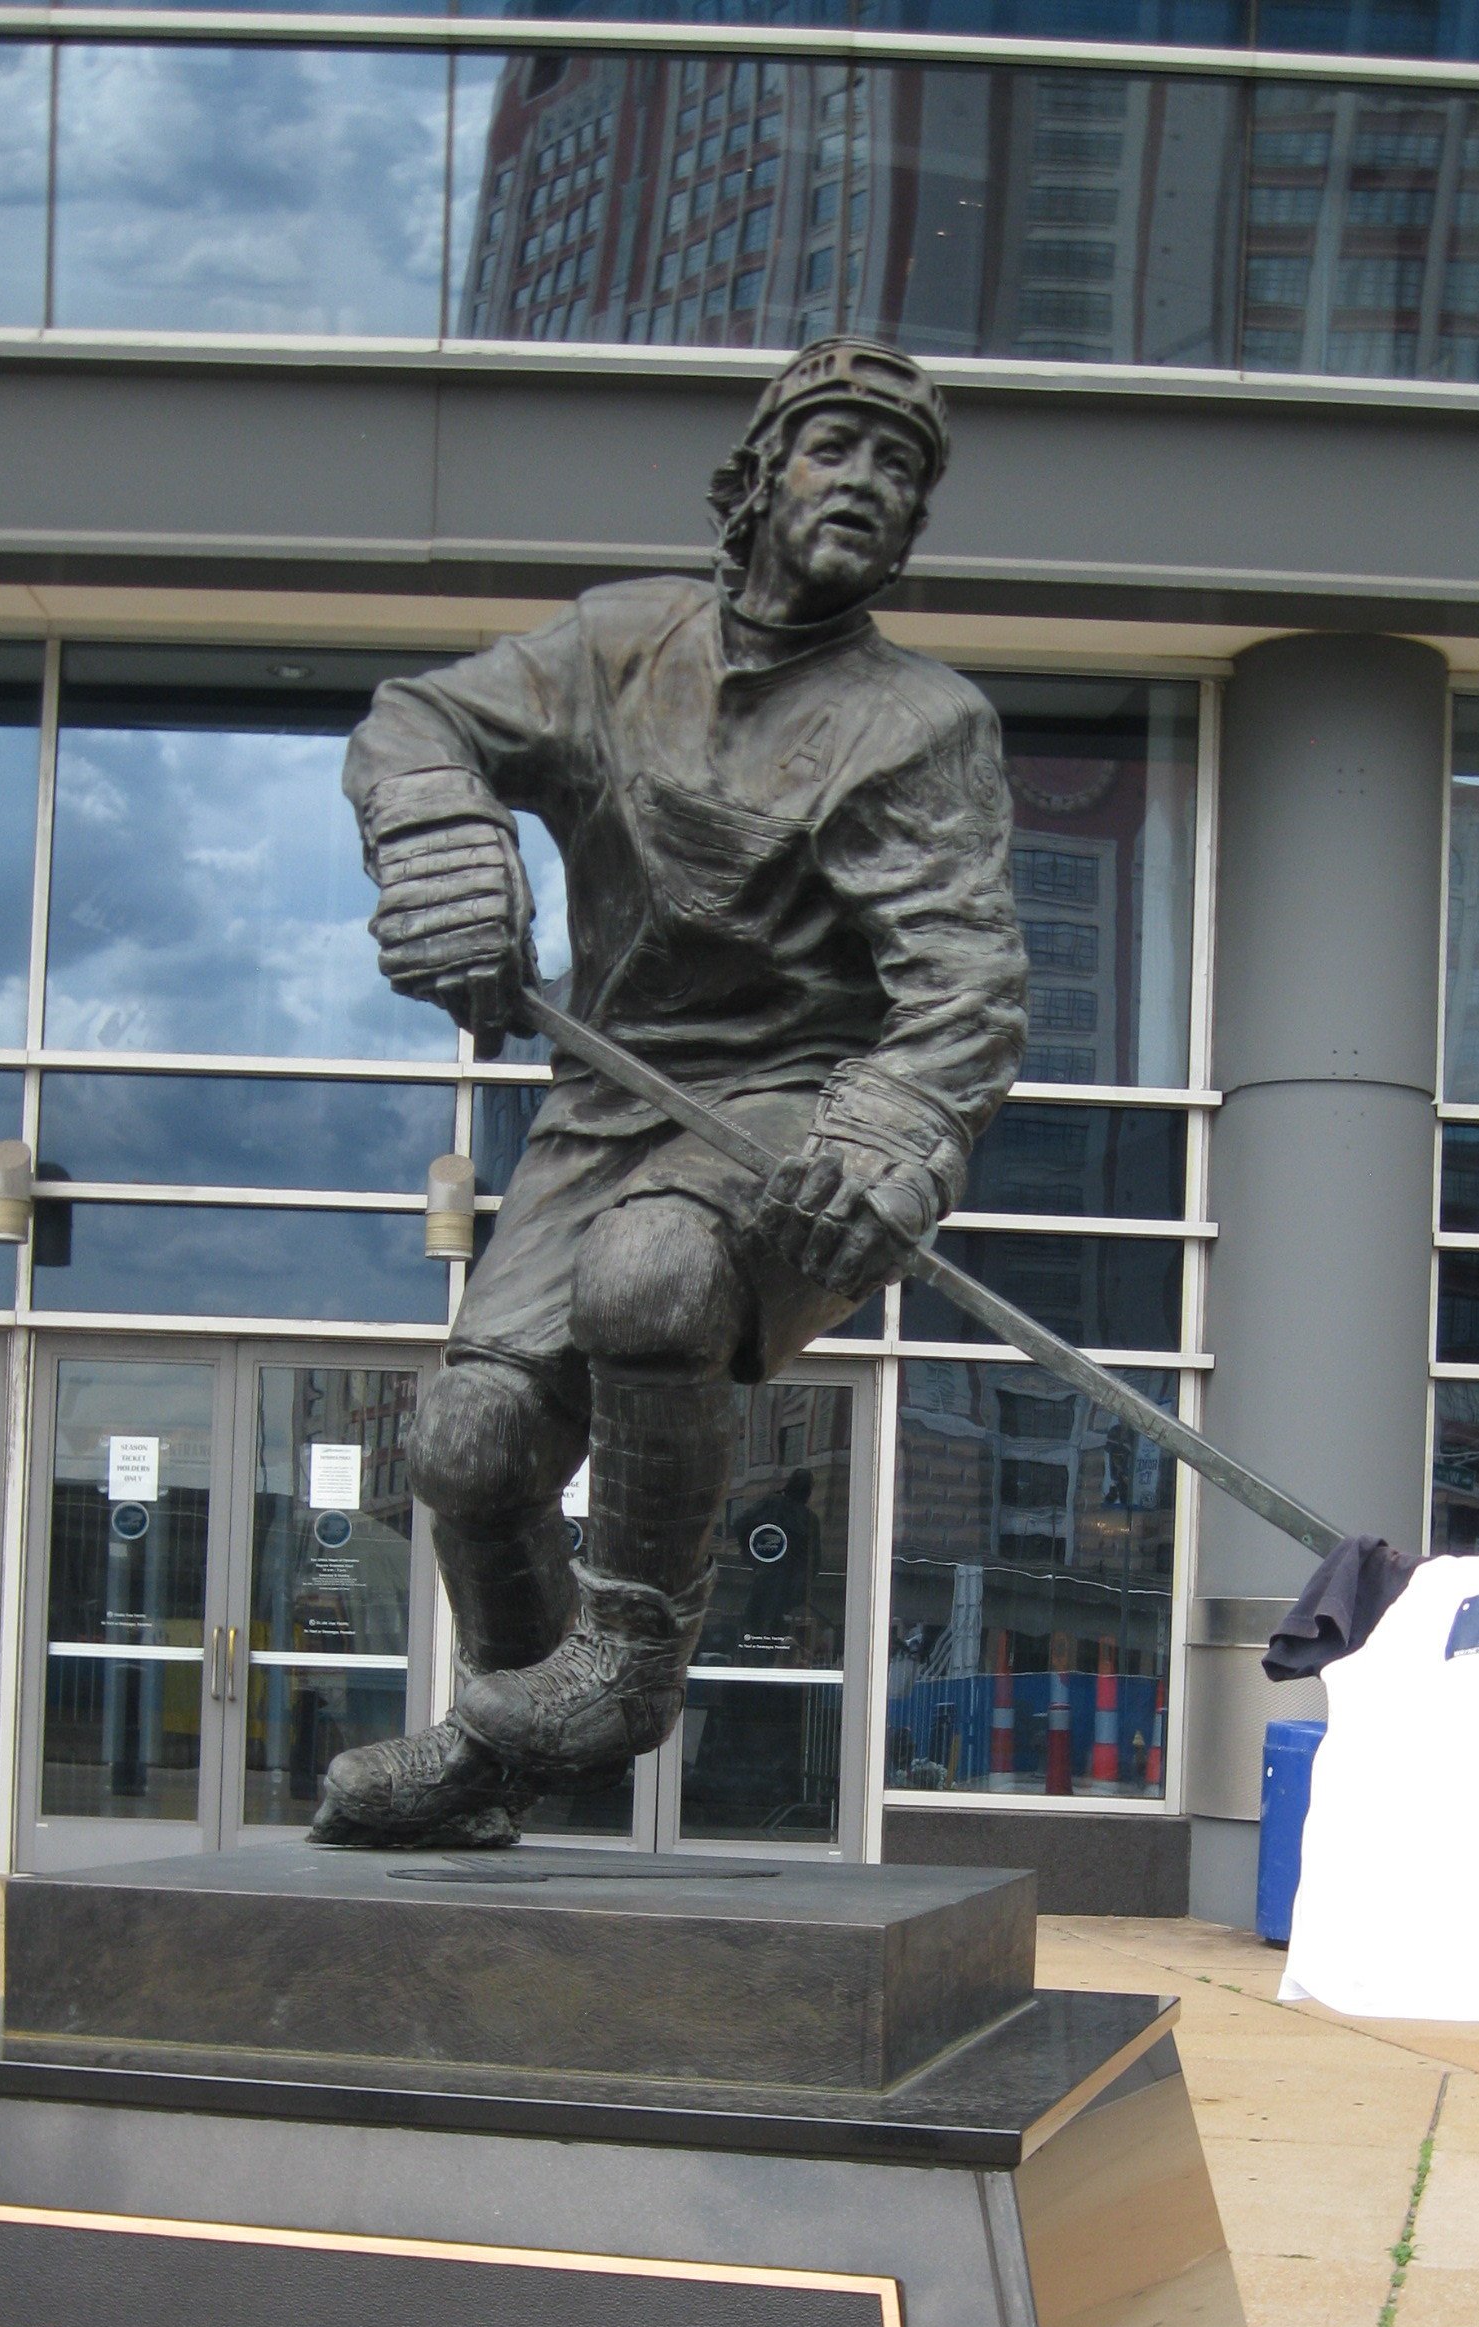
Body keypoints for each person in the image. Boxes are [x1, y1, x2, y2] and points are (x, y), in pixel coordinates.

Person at [312, 339, 1029, 1847]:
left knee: (653, 1273)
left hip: (784, 1109)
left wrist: (895, 1134)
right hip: (608, 1106)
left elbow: (962, 990)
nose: (873, 487)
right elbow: (415, 720)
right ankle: (503, 1751)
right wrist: (442, 836)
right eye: (841, 449)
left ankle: (630, 1658)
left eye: (905, 472)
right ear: (759, 477)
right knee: (463, 1442)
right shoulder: (619, 644)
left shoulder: (922, 721)